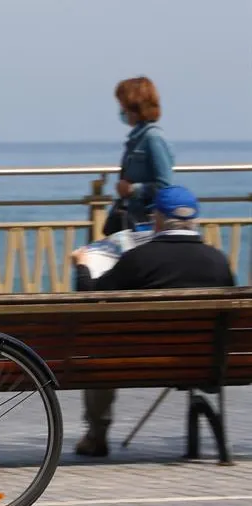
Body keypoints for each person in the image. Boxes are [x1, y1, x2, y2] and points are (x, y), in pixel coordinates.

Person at [71, 185, 236, 457]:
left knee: (97, 352)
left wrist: (81, 265)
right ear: (193, 220)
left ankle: (96, 436)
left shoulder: (139, 258)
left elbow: (91, 298)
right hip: (205, 363)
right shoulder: (217, 261)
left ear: (157, 218)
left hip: (136, 362)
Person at [104, 76, 174, 235]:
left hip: (146, 222)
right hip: (132, 218)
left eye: (123, 106)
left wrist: (132, 189)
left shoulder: (153, 138)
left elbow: (165, 185)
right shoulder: (136, 138)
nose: (121, 111)